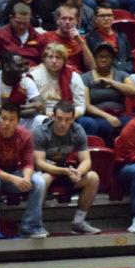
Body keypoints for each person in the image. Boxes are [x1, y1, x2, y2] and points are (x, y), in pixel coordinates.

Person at [0, 100, 48, 239]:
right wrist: (15, 179)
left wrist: (25, 178)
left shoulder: (25, 135)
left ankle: (30, 226)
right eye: (3, 118)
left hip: (12, 173)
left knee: (39, 181)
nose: (6, 123)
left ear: (18, 121)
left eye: (11, 120)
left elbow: (28, 163)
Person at [32, 100, 102, 234]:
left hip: (66, 171)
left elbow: (86, 160)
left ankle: (79, 222)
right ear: (52, 116)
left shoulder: (78, 130)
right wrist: (64, 171)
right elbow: (39, 163)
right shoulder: (41, 132)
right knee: (43, 180)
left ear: (73, 119)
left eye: (67, 119)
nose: (63, 124)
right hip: (46, 171)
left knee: (93, 177)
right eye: (59, 119)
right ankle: (36, 224)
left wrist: (78, 172)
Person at [0, 52, 46, 131]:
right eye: (19, 66)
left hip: (22, 119)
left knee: (43, 120)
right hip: (0, 118)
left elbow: (40, 106)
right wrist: (23, 107)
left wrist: (14, 113)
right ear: (7, 67)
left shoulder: (26, 80)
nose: (24, 69)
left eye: (24, 65)